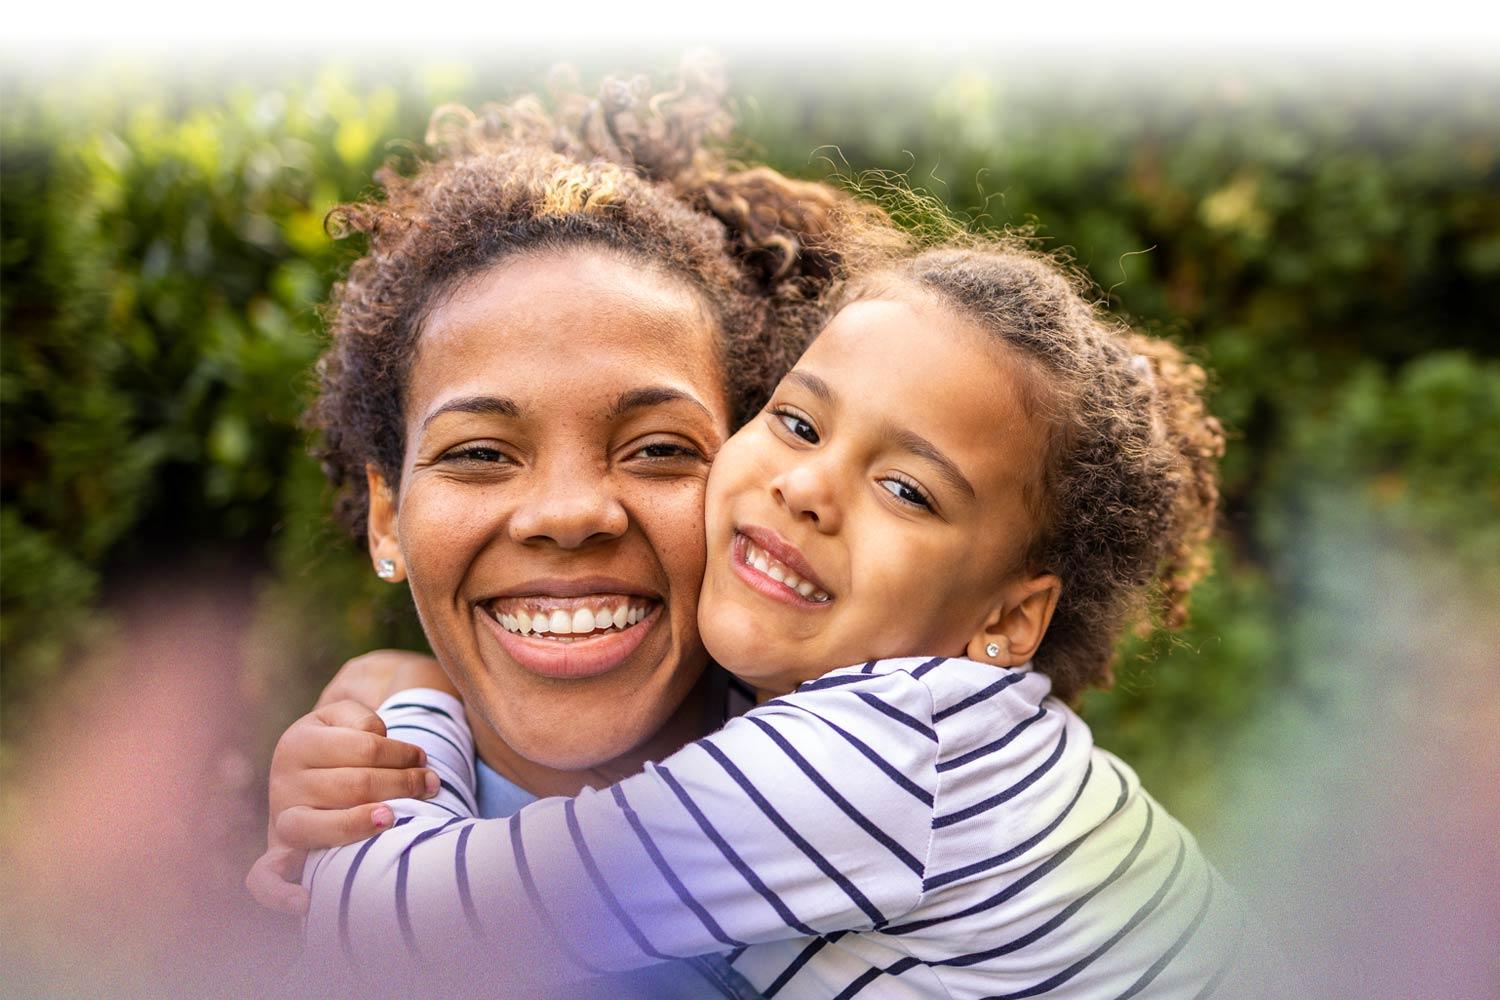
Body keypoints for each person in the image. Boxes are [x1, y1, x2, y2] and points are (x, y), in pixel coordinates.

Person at [290, 233, 1268, 998]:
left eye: (907, 490)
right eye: (800, 423)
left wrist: (406, 718)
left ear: (1009, 621)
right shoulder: (889, 728)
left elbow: (391, 927)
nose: (807, 488)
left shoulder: (870, 760)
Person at [245, 61, 895, 999]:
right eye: (479, 452)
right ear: (388, 517)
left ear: (755, 482)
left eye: (659, 449)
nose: (569, 513)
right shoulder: (348, 837)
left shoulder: (876, 795)